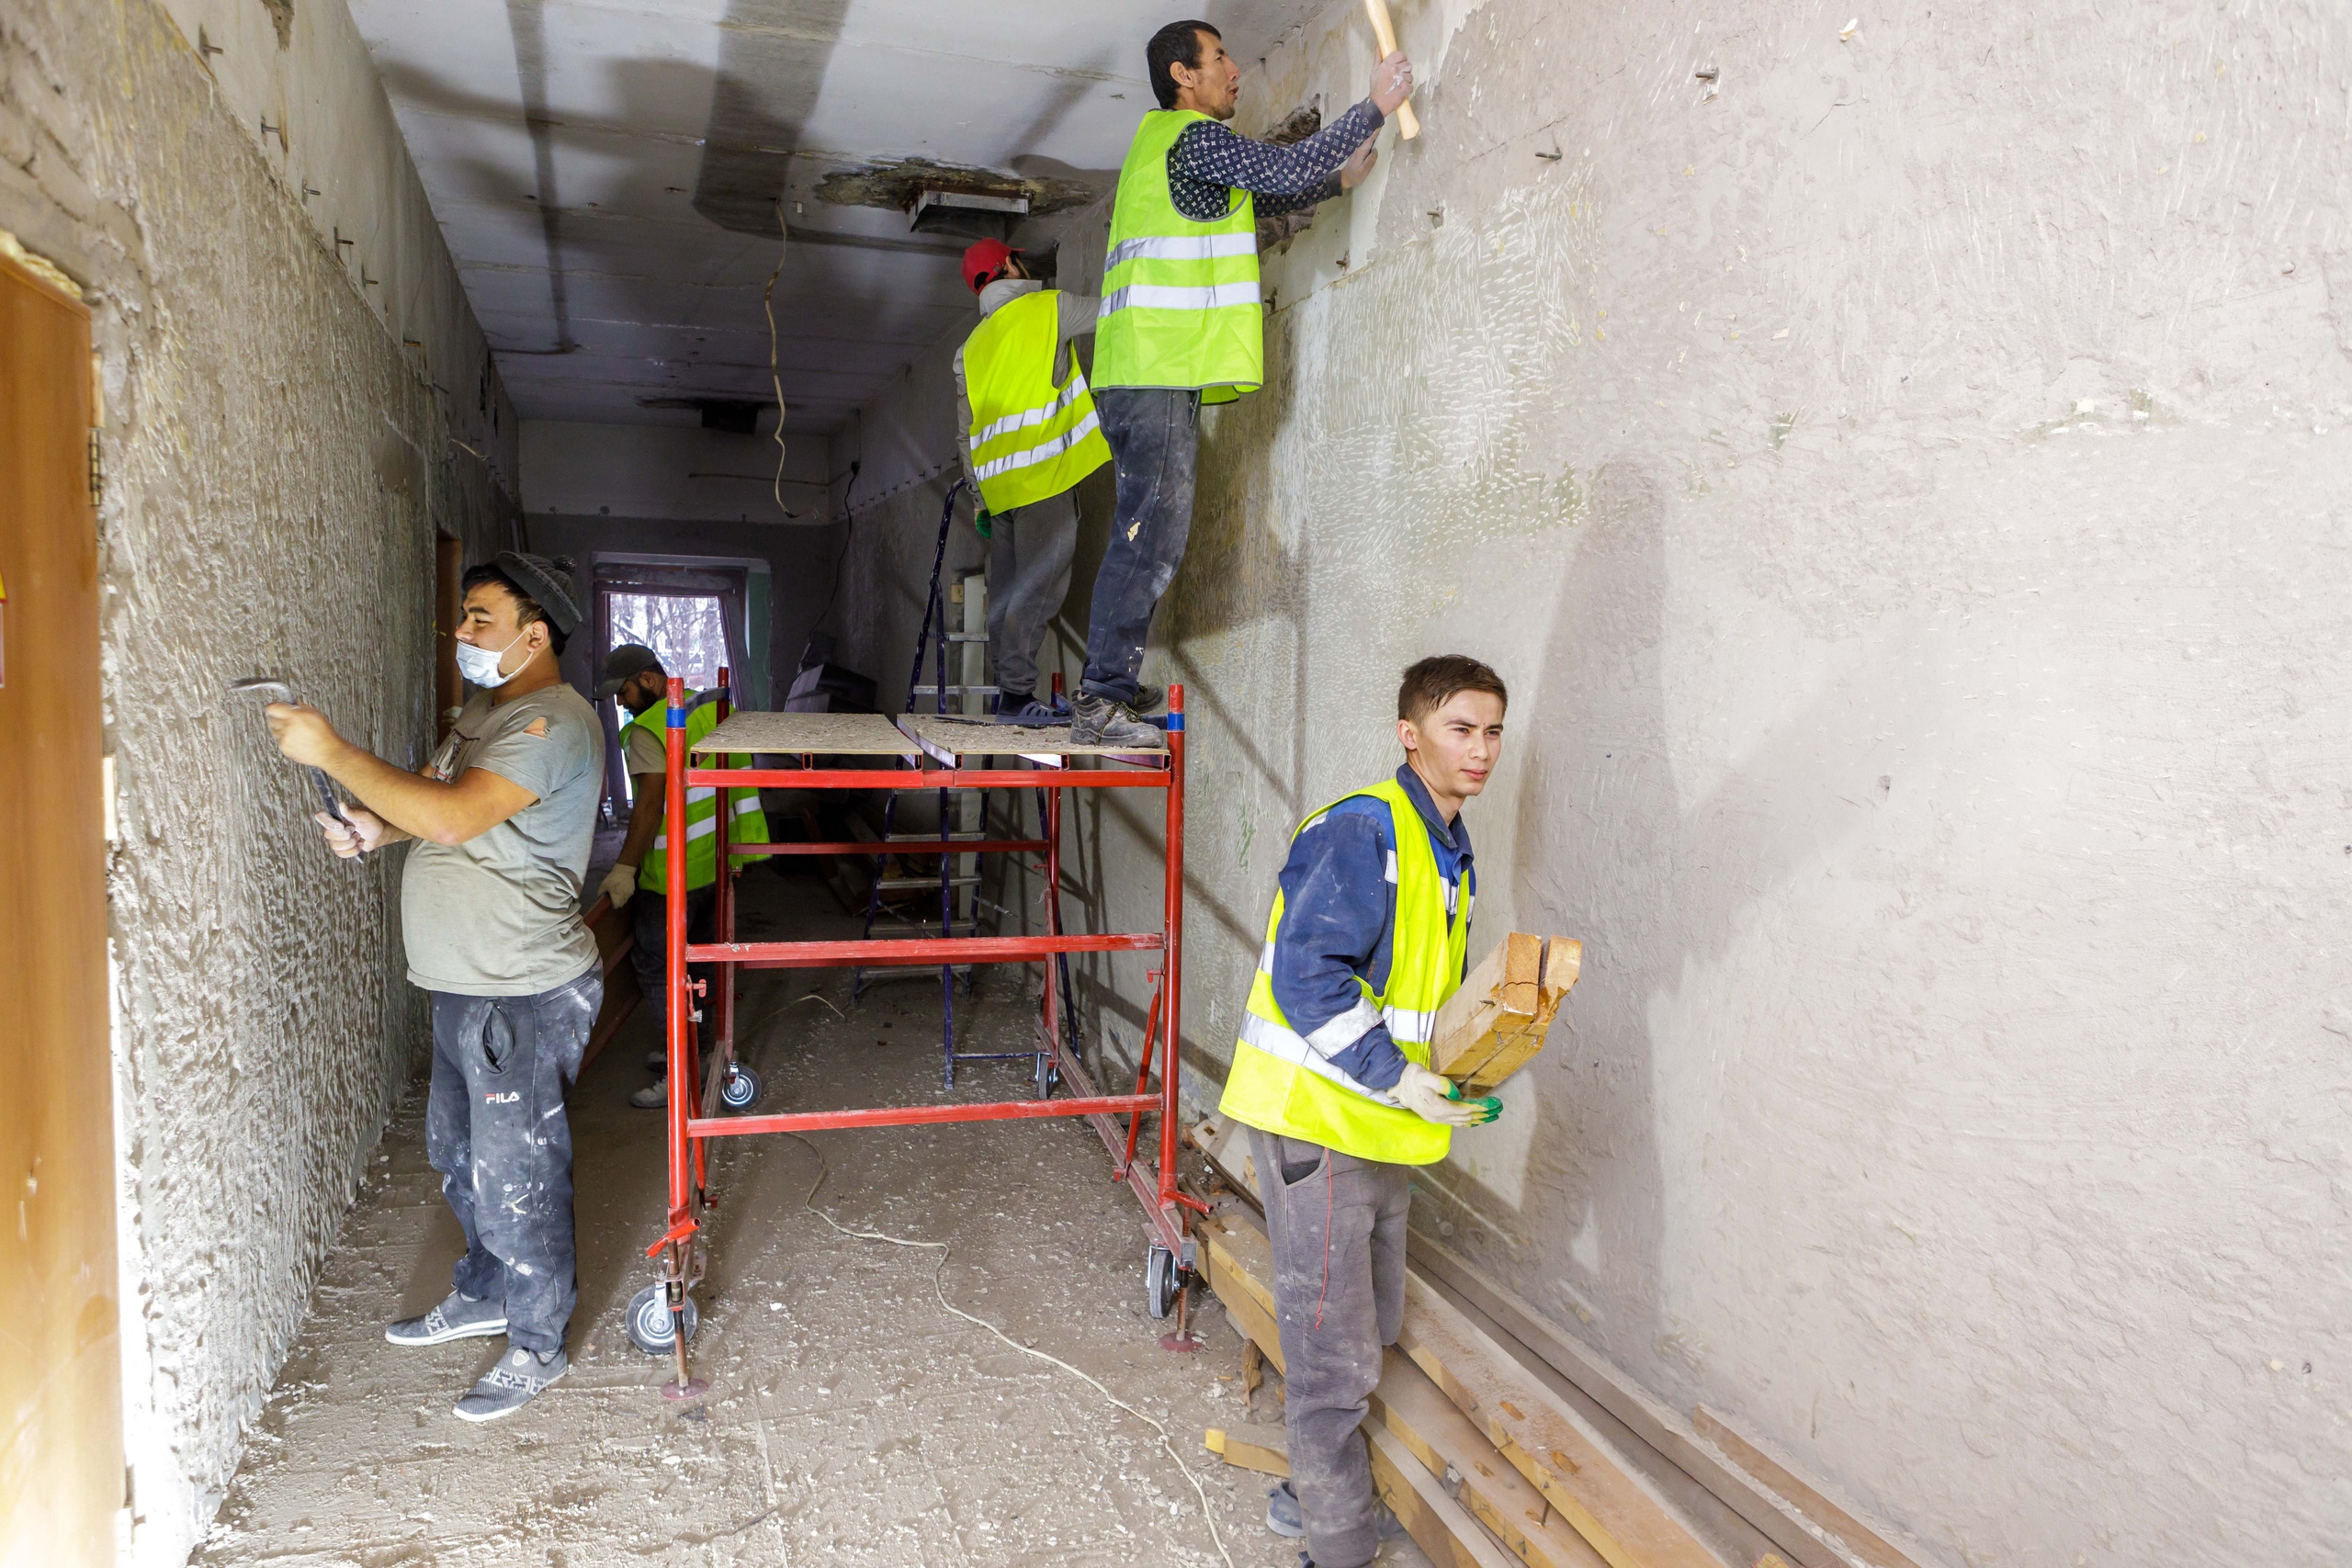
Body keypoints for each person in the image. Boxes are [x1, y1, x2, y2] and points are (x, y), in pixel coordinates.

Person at [266, 551, 605, 1423]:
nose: (462, 632)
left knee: (518, 1174)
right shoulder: (486, 715)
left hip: (520, 986)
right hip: (465, 981)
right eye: (464, 616)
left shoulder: (554, 723)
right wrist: (377, 828)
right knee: (462, 1155)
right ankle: (488, 1290)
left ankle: (538, 1341)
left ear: (535, 636)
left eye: (481, 618)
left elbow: (455, 818)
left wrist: (334, 752)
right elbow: (437, 807)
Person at [1216, 656, 1510, 1568]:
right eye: (1461, 729)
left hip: (1378, 1122)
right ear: (1410, 735)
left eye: (1493, 731)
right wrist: (1397, 1074)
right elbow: (1308, 976)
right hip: (1318, 1121)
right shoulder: (1362, 829)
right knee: (1333, 1354)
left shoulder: (1446, 844)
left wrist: (1453, 1074)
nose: (1481, 749)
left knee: (1364, 1326)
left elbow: (1412, 998)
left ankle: (1305, 1496)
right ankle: (1335, 1546)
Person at [1069, 19, 1416, 747]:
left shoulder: (1165, 153)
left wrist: (1337, 180)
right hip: (1155, 368)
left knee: (1147, 531)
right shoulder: (1191, 138)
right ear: (1182, 75)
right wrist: (1373, 106)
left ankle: (1107, 684)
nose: (1235, 70)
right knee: (1150, 535)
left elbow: (1251, 202)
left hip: (1148, 369)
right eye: (1220, 57)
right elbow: (1277, 172)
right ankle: (1100, 699)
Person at [954, 240, 1148, 725]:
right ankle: (1018, 696)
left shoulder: (968, 351)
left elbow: (965, 433)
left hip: (1000, 494)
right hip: (1045, 478)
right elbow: (1117, 310)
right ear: (1008, 265)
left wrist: (980, 501)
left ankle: (1010, 692)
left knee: (1006, 593)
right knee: (1039, 588)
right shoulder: (1048, 309)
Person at [593, 644, 770, 1109]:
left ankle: (680, 1065)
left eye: (624, 691)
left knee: (659, 965)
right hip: (715, 860)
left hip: (671, 874)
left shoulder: (650, 729)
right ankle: (701, 1049)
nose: (621, 702)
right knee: (702, 963)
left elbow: (650, 806)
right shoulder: (711, 709)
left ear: (649, 680)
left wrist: (625, 867)